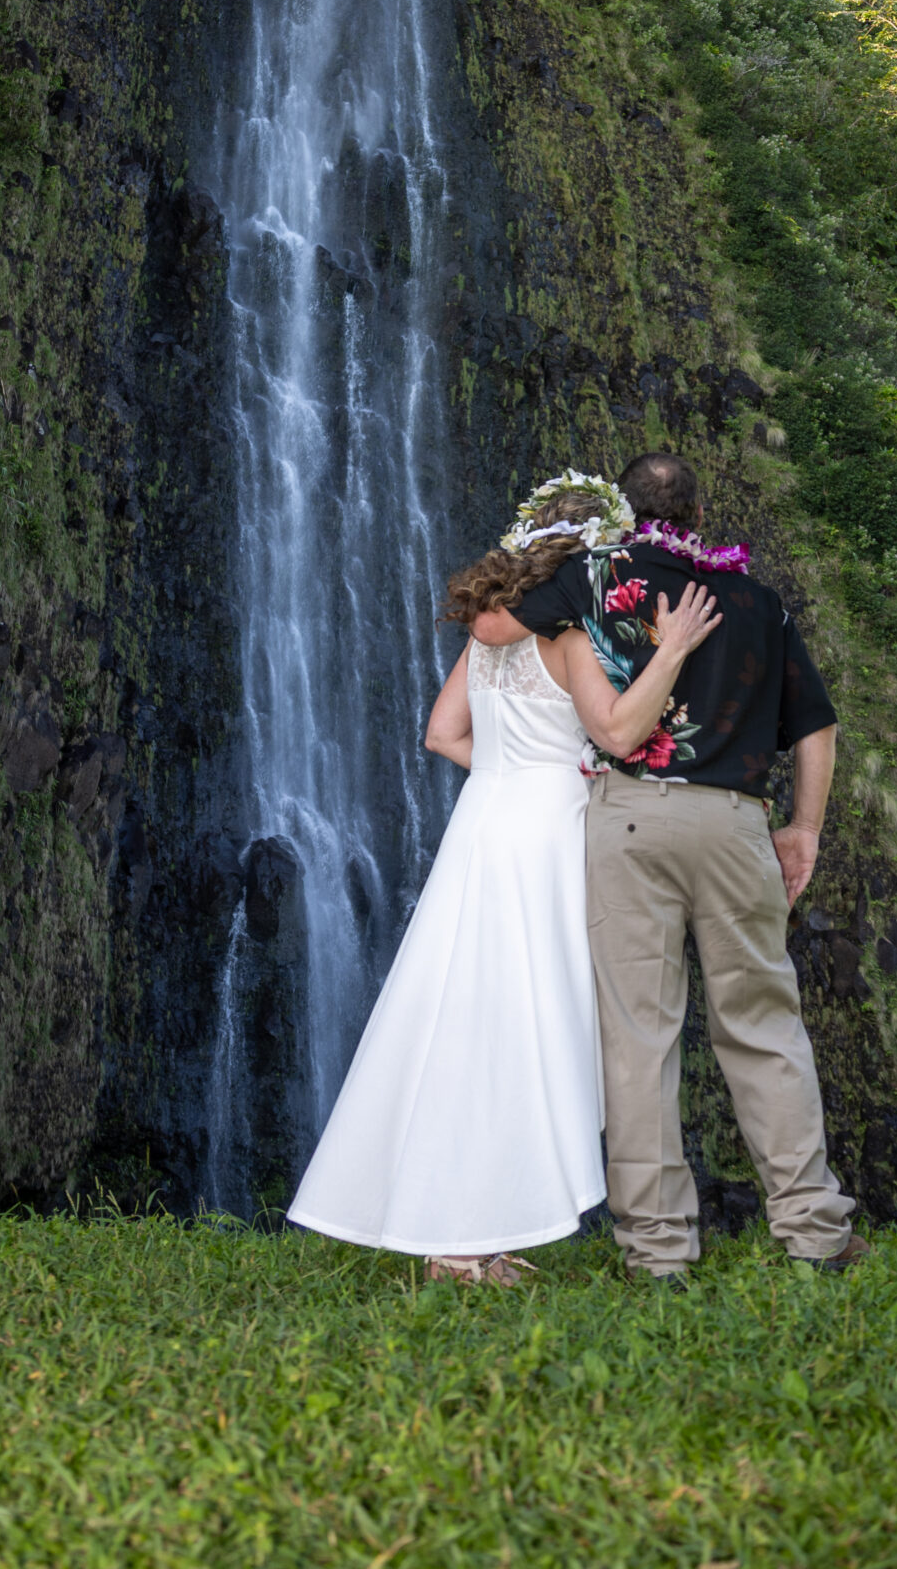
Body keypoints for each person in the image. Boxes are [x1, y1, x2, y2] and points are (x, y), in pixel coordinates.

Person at [286, 490, 721, 1283]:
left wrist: (503, 773)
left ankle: (462, 1230)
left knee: (464, 1019)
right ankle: (466, 1235)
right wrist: (659, 669)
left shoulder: (485, 641)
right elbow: (616, 730)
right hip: (548, 835)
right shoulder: (569, 639)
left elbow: (440, 734)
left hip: (481, 827)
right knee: (528, 1026)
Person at [473, 453, 866, 1283]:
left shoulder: (595, 575)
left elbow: (494, 631)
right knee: (764, 1025)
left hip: (630, 819)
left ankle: (657, 1254)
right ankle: (813, 1231)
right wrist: (804, 829)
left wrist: (538, 571)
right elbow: (816, 726)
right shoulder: (758, 601)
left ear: (627, 511)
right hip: (736, 825)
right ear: (696, 513)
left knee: (638, 1037)